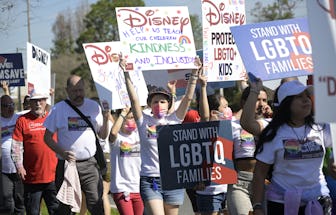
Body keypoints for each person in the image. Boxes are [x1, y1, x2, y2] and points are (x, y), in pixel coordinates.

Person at [121, 56, 202, 215]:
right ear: (150, 105)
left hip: (173, 178)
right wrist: (126, 74)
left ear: (169, 104)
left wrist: (194, 73)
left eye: (163, 101)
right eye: (155, 101)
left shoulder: (175, 120)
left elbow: (188, 98)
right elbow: (134, 99)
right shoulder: (143, 121)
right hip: (150, 180)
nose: (159, 104)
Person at [252, 80, 335, 215]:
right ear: (287, 103)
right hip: (282, 203)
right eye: (299, 97)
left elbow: (334, 152)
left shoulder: (321, 127)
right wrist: (257, 206)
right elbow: (260, 173)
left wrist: (333, 161)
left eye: (307, 96)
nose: (306, 100)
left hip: (319, 200)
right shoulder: (273, 133)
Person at [43, 75, 110, 215]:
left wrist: (105, 117)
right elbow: (47, 138)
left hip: (90, 165)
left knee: (96, 204)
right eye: (74, 91)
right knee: (65, 207)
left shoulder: (93, 107)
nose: (78, 94)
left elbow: (103, 135)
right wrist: (62, 152)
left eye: (80, 90)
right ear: (67, 90)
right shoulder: (58, 109)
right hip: (67, 164)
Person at [11, 92, 59, 215]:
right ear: (30, 103)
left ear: (45, 101)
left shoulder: (52, 118)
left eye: (41, 100)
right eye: (35, 101)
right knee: (33, 212)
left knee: (57, 211)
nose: (38, 103)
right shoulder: (22, 120)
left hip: (53, 177)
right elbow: (16, 146)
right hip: (32, 178)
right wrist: (19, 166)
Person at [108, 107, 144, 215]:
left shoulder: (139, 135)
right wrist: (123, 113)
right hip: (122, 188)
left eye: (134, 118)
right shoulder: (117, 138)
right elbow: (113, 133)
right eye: (130, 118)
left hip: (139, 188)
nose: (132, 121)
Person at [0, 95, 25, 214]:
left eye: (12, 105)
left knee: (20, 199)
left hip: (20, 167)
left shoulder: (19, 118)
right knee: (6, 198)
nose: (10, 108)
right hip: (4, 168)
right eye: (6, 106)